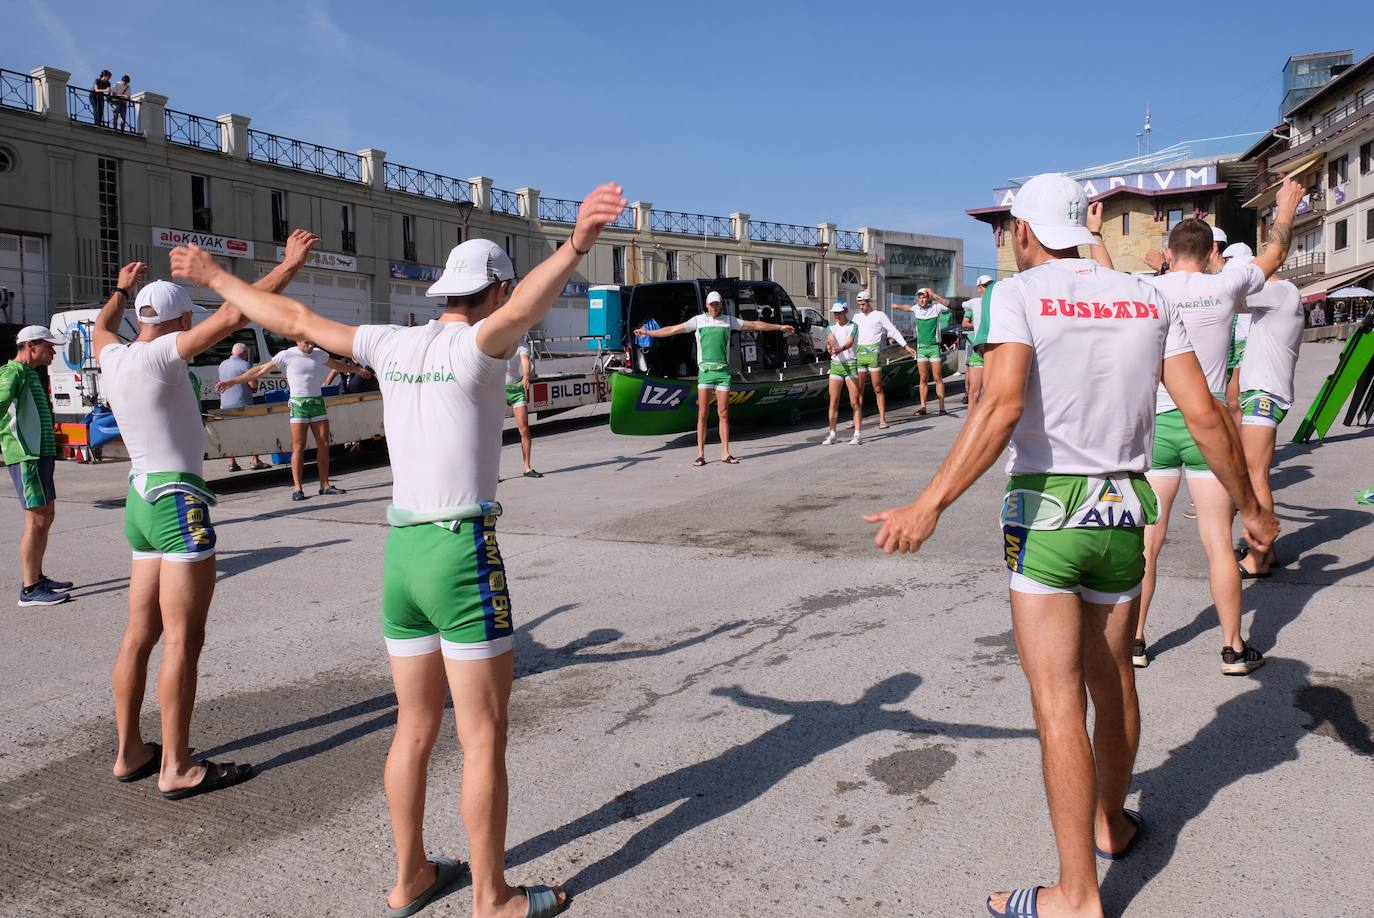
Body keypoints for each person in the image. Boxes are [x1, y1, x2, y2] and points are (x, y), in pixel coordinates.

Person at [172, 183, 626, 918]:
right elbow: (525, 311)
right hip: (460, 552)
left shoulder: (391, 341)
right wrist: (574, 246)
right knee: (482, 735)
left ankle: (410, 873)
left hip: (401, 553)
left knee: (413, 726)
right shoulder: (482, 346)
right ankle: (491, 896)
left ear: (447, 289)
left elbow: (291, 316)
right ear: (497, 287)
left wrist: (217, 277)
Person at [863, 172, 1276, 918]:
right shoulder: (1147, 297)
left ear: (1023, 232)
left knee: (1058, 703)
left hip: (1047, 511)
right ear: (1085, 226)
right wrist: (1251, 506)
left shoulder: (1016, 295)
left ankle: (1076, 894)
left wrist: (929, 505)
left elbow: (1002, 402)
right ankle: (1111, 826)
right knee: (1113, 679)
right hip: (1122, 504)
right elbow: (1208, 416)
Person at [97, 228, 317, 799]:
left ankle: (129, 752)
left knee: (138, 635)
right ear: (175, 323)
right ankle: (176, 765)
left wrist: (120, 291)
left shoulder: (114, 354)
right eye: (189, 321)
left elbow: (100, 327)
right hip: (176, 501)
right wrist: (288, 265)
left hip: (138, 499)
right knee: (183, 641)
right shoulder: (164, 356)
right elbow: (241, 312)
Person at [1133, 179, 1303, 673]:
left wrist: (1101, 239)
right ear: (1212, 253)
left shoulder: (1146, 289)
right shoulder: (1223, 285)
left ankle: (1137, 641)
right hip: (1206, 426)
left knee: (1149, 540)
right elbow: (1275, 253)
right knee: (1215, 540)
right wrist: (1286, 208)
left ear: (1168, 253)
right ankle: (1232, 647)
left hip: (1159, 422)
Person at [633, 290, 793, 466]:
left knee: (723, 413)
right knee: (702, 413)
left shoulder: (729, 320)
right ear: (707, 305)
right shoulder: (698, 321)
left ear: (721, 305)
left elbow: (754, 325)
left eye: (717, 304)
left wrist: (780, 327)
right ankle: (700, 454)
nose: (715, 307)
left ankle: (725, 453)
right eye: (712, 304)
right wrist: (647, 333)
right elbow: (672, 330)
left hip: (723, 373)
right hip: (706, 374)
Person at [1230, 245, 1305, 578]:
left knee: (1256, 474)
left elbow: (1228, 298)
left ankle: (1258, 557)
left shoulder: (1279, 292)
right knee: (1255, 472)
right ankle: (1268, 551)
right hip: (1262, 393)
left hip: (1265, 395)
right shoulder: (1277, 295)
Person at [220, 340, 369, 500]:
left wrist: (358, 370)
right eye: (307, 343)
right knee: (299, 446)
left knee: (324, 444)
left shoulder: (319, 354)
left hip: (317, 403)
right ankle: (298, 489)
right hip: (299, 404)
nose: (311, 345)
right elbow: (260, 370)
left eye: (312, 342)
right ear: (297, 340)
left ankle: (324, 485)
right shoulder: (287, 355)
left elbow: (338, 365)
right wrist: (233, 381)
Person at [2, 326, 73, 606]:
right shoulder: (13, 373)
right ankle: (30, 589)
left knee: (46, 515)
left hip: (40, 456)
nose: (53, 351)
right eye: (49, 346)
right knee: (35, 520)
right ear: (31, 346)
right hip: (27, 456)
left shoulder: (29, 373)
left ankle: (37, 577)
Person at [852, 290, 918, 428]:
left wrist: (905, 346)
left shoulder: (879, 315)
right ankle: (856, 419)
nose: (861, 307)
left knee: (877, 388)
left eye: (863, 304)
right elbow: (849, 335)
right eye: (859, 304)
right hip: (860, 354)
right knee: (859, 389)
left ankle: (882, 419)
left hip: (873, 354)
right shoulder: (856, 317)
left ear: (869, 301)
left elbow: (892, 330)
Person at [892, 287, 951, 415]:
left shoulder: (936, 307)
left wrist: (934, 295)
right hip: (922, 348)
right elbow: (906, 308)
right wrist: (895, 305)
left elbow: (948, 306)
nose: (921, 299)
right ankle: (923, 407)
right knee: (923, 378)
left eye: (924, 297)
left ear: (928, 298)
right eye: (919, 297)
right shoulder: (916, 308)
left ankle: (942, 407)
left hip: (934, 347)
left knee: (937, 377)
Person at [216, 341, 267, 472]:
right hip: (242, 404)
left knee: (231, 433)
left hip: (225, 405)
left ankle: (232, 463)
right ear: (244, 354)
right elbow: (253, 385)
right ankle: (255, 460)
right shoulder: (245, 365)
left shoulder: (222, 365)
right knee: (251, 431)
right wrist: (256, 379)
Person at [821, 301, 863, 445]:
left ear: (845, 311)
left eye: (839, 312)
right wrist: (830, 346)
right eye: (835, 313)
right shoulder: (831, 327)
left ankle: (857, 434)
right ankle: (832, 434)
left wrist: (840, 348)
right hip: (836, 366)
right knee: (833, 401)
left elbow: (850, 341)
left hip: (850, 364)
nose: (837, 315)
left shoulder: (853, 326)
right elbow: (830, 338)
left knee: (854, 401)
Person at [506, 337, 541, 478]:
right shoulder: (498, 339)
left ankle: (527, 467)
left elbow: (525, 360)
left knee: (524, 428)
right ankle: (494, 473)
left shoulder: (521, 343)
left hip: (516, 388)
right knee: (494, 433)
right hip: (497, 389)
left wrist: (526, 375)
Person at [962, 276, 995, 408]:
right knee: (973, 393)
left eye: (990, 285)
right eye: (985, 286)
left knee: (990, 393)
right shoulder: (973, 303)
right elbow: (964, 321)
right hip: (974, 344)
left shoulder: (997, 302)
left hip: (993, 350)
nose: (987, 288)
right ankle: (971, 425)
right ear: (979, 288)